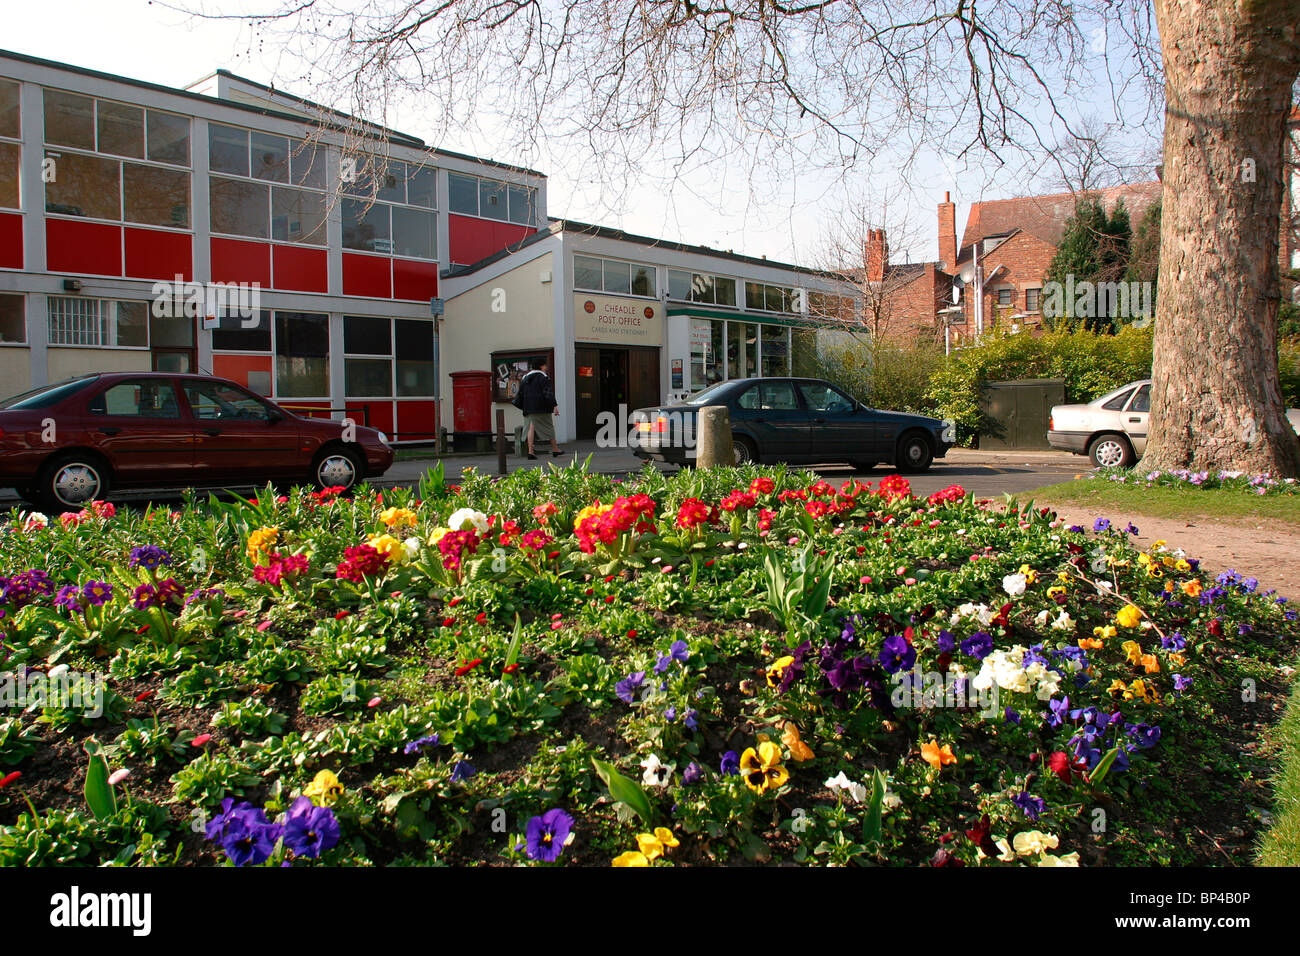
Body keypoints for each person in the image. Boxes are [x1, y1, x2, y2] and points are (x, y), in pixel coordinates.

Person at [516, 360, 562, 459]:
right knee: (549, 427)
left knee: (530, 428)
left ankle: (530, 451)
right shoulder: (543, 377)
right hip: (542, 408)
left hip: (528, 407)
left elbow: (520, 394)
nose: (546, 367)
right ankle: (555, 449)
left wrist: (524, 406)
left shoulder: (525, 378)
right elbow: (548, 394)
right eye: (545, 365)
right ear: (541, 366)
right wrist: (554, 406)